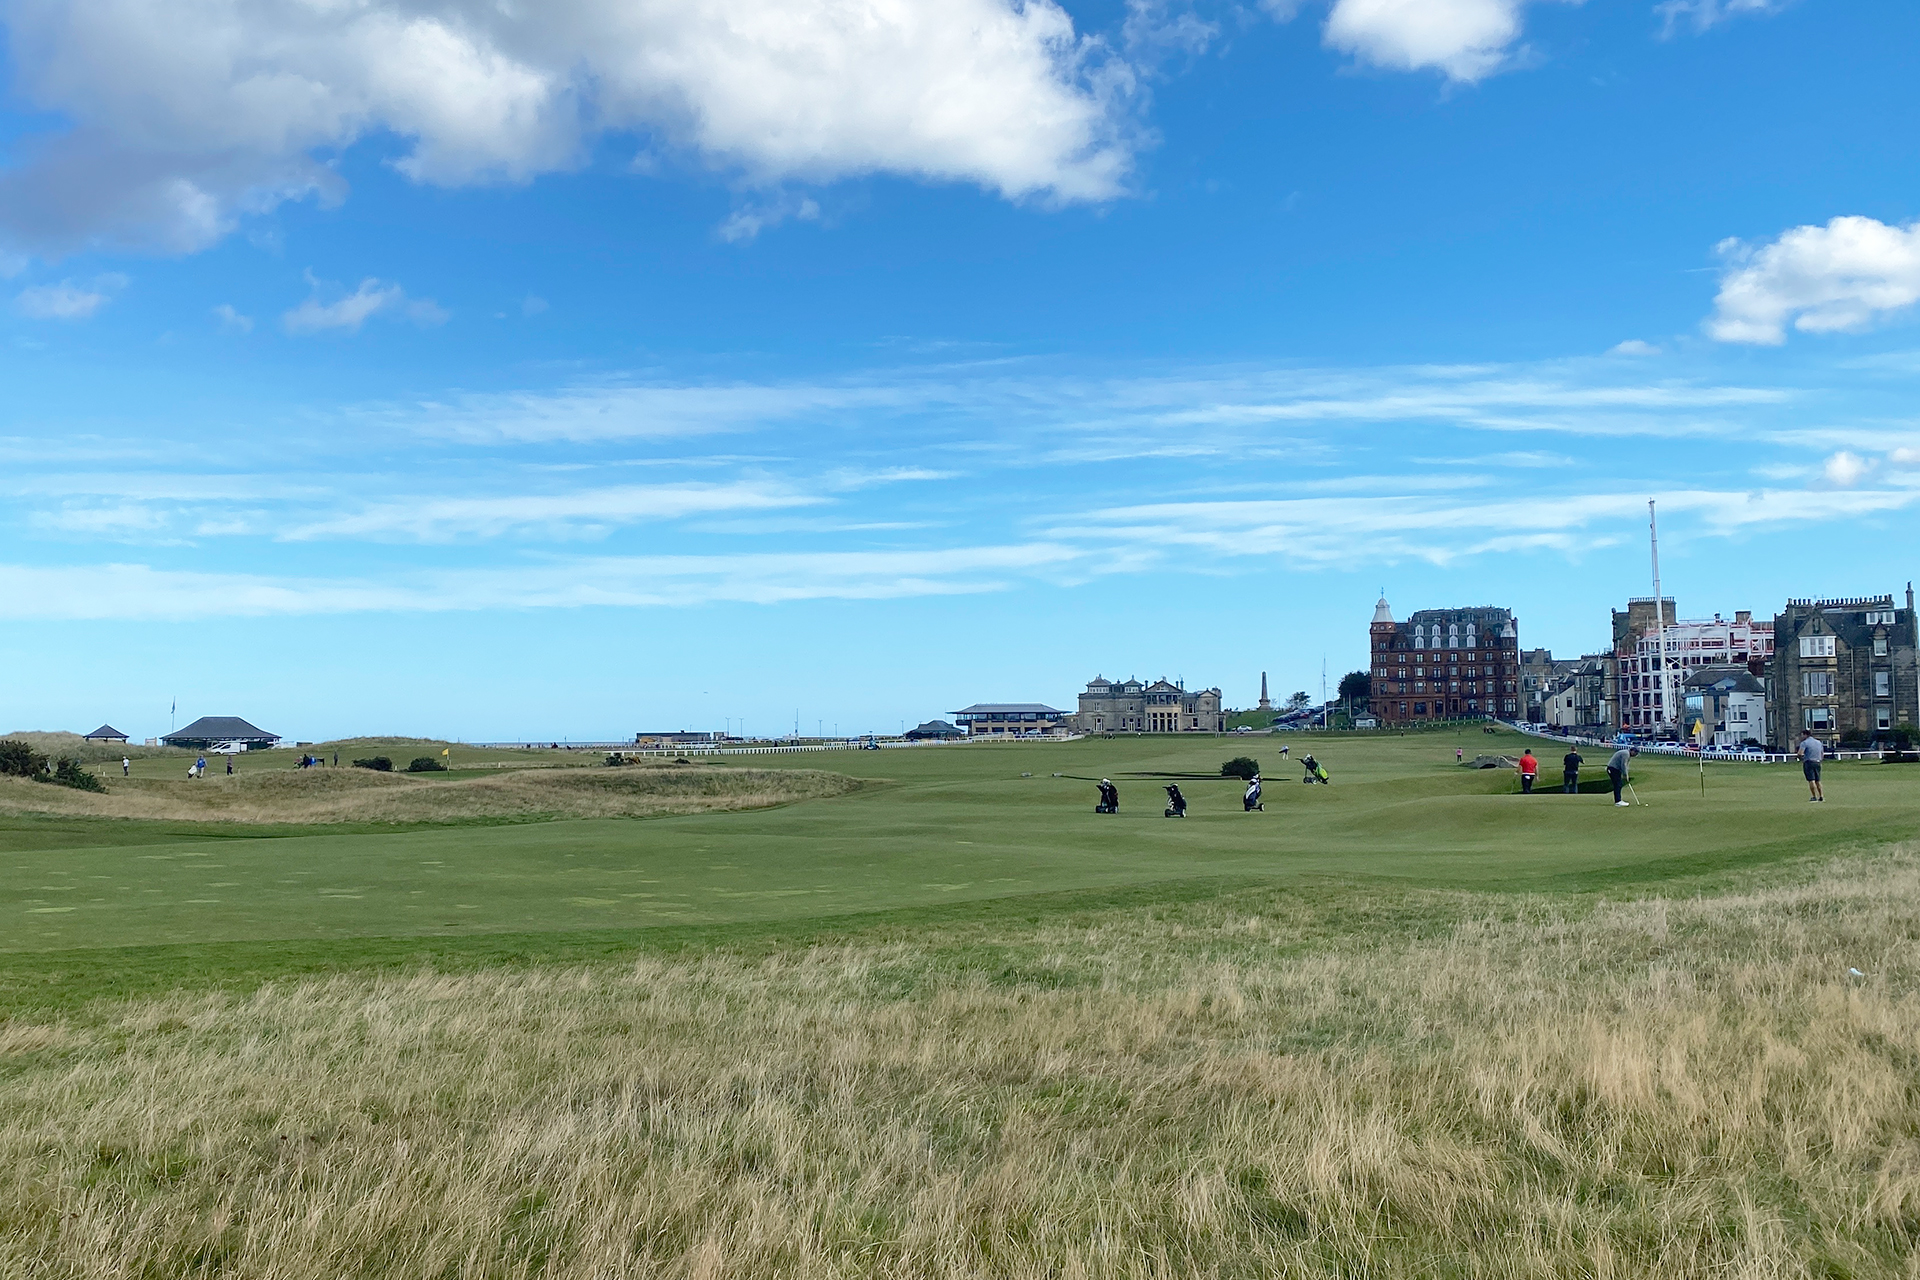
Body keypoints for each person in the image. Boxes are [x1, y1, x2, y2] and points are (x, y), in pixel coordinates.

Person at [1800, 730, 1825, 802]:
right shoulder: (1818, 742)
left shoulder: (1804, 743)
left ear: (1805, 735)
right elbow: (1822, 754)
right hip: (1817, 762)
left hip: (1809, 762)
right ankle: (1821, 796)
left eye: (1802, 735)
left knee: (1811, 780)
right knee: (1818, 780)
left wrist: (1800, 758)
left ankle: (1814, 796)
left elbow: (1800, 753)